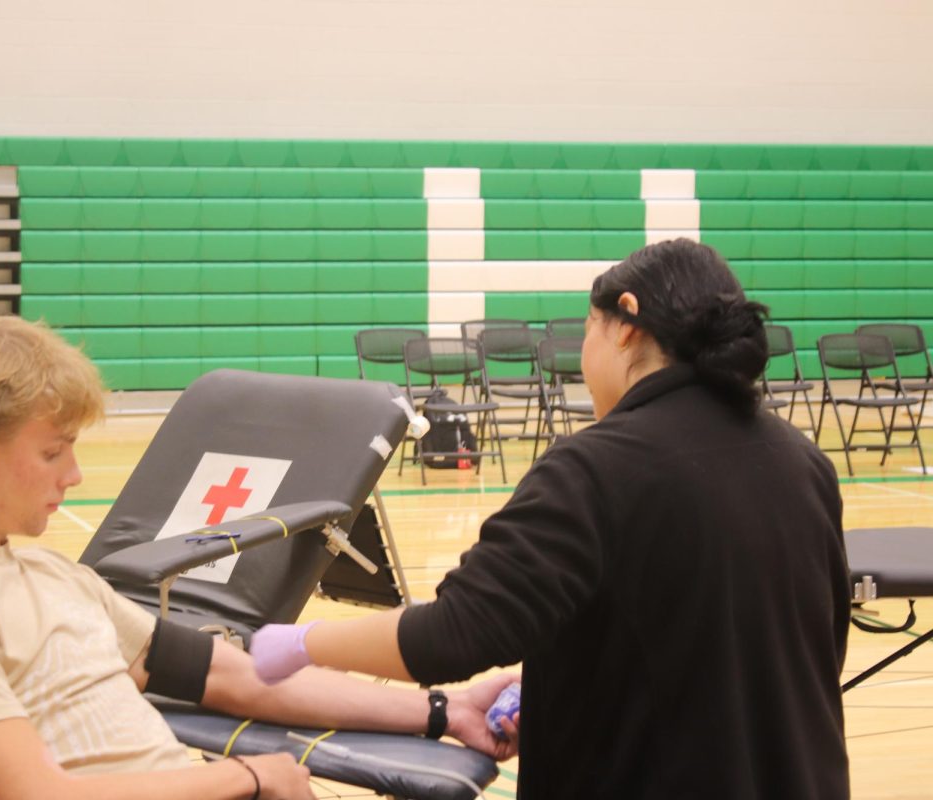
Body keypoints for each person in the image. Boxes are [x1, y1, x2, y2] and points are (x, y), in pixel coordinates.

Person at [253, 238, 852, 799]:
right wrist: (570, 688)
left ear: (623, 325)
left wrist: (302, 642)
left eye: (588, 329)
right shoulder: (805, 462)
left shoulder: (595, 468)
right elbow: (787, 652)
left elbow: (452, 635)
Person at [0, 312, 518, 800]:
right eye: (54, 451)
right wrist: (248, 775)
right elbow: (36, 796)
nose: (75, 475)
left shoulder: (52, 576)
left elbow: (237, 675)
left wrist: (441, 708)